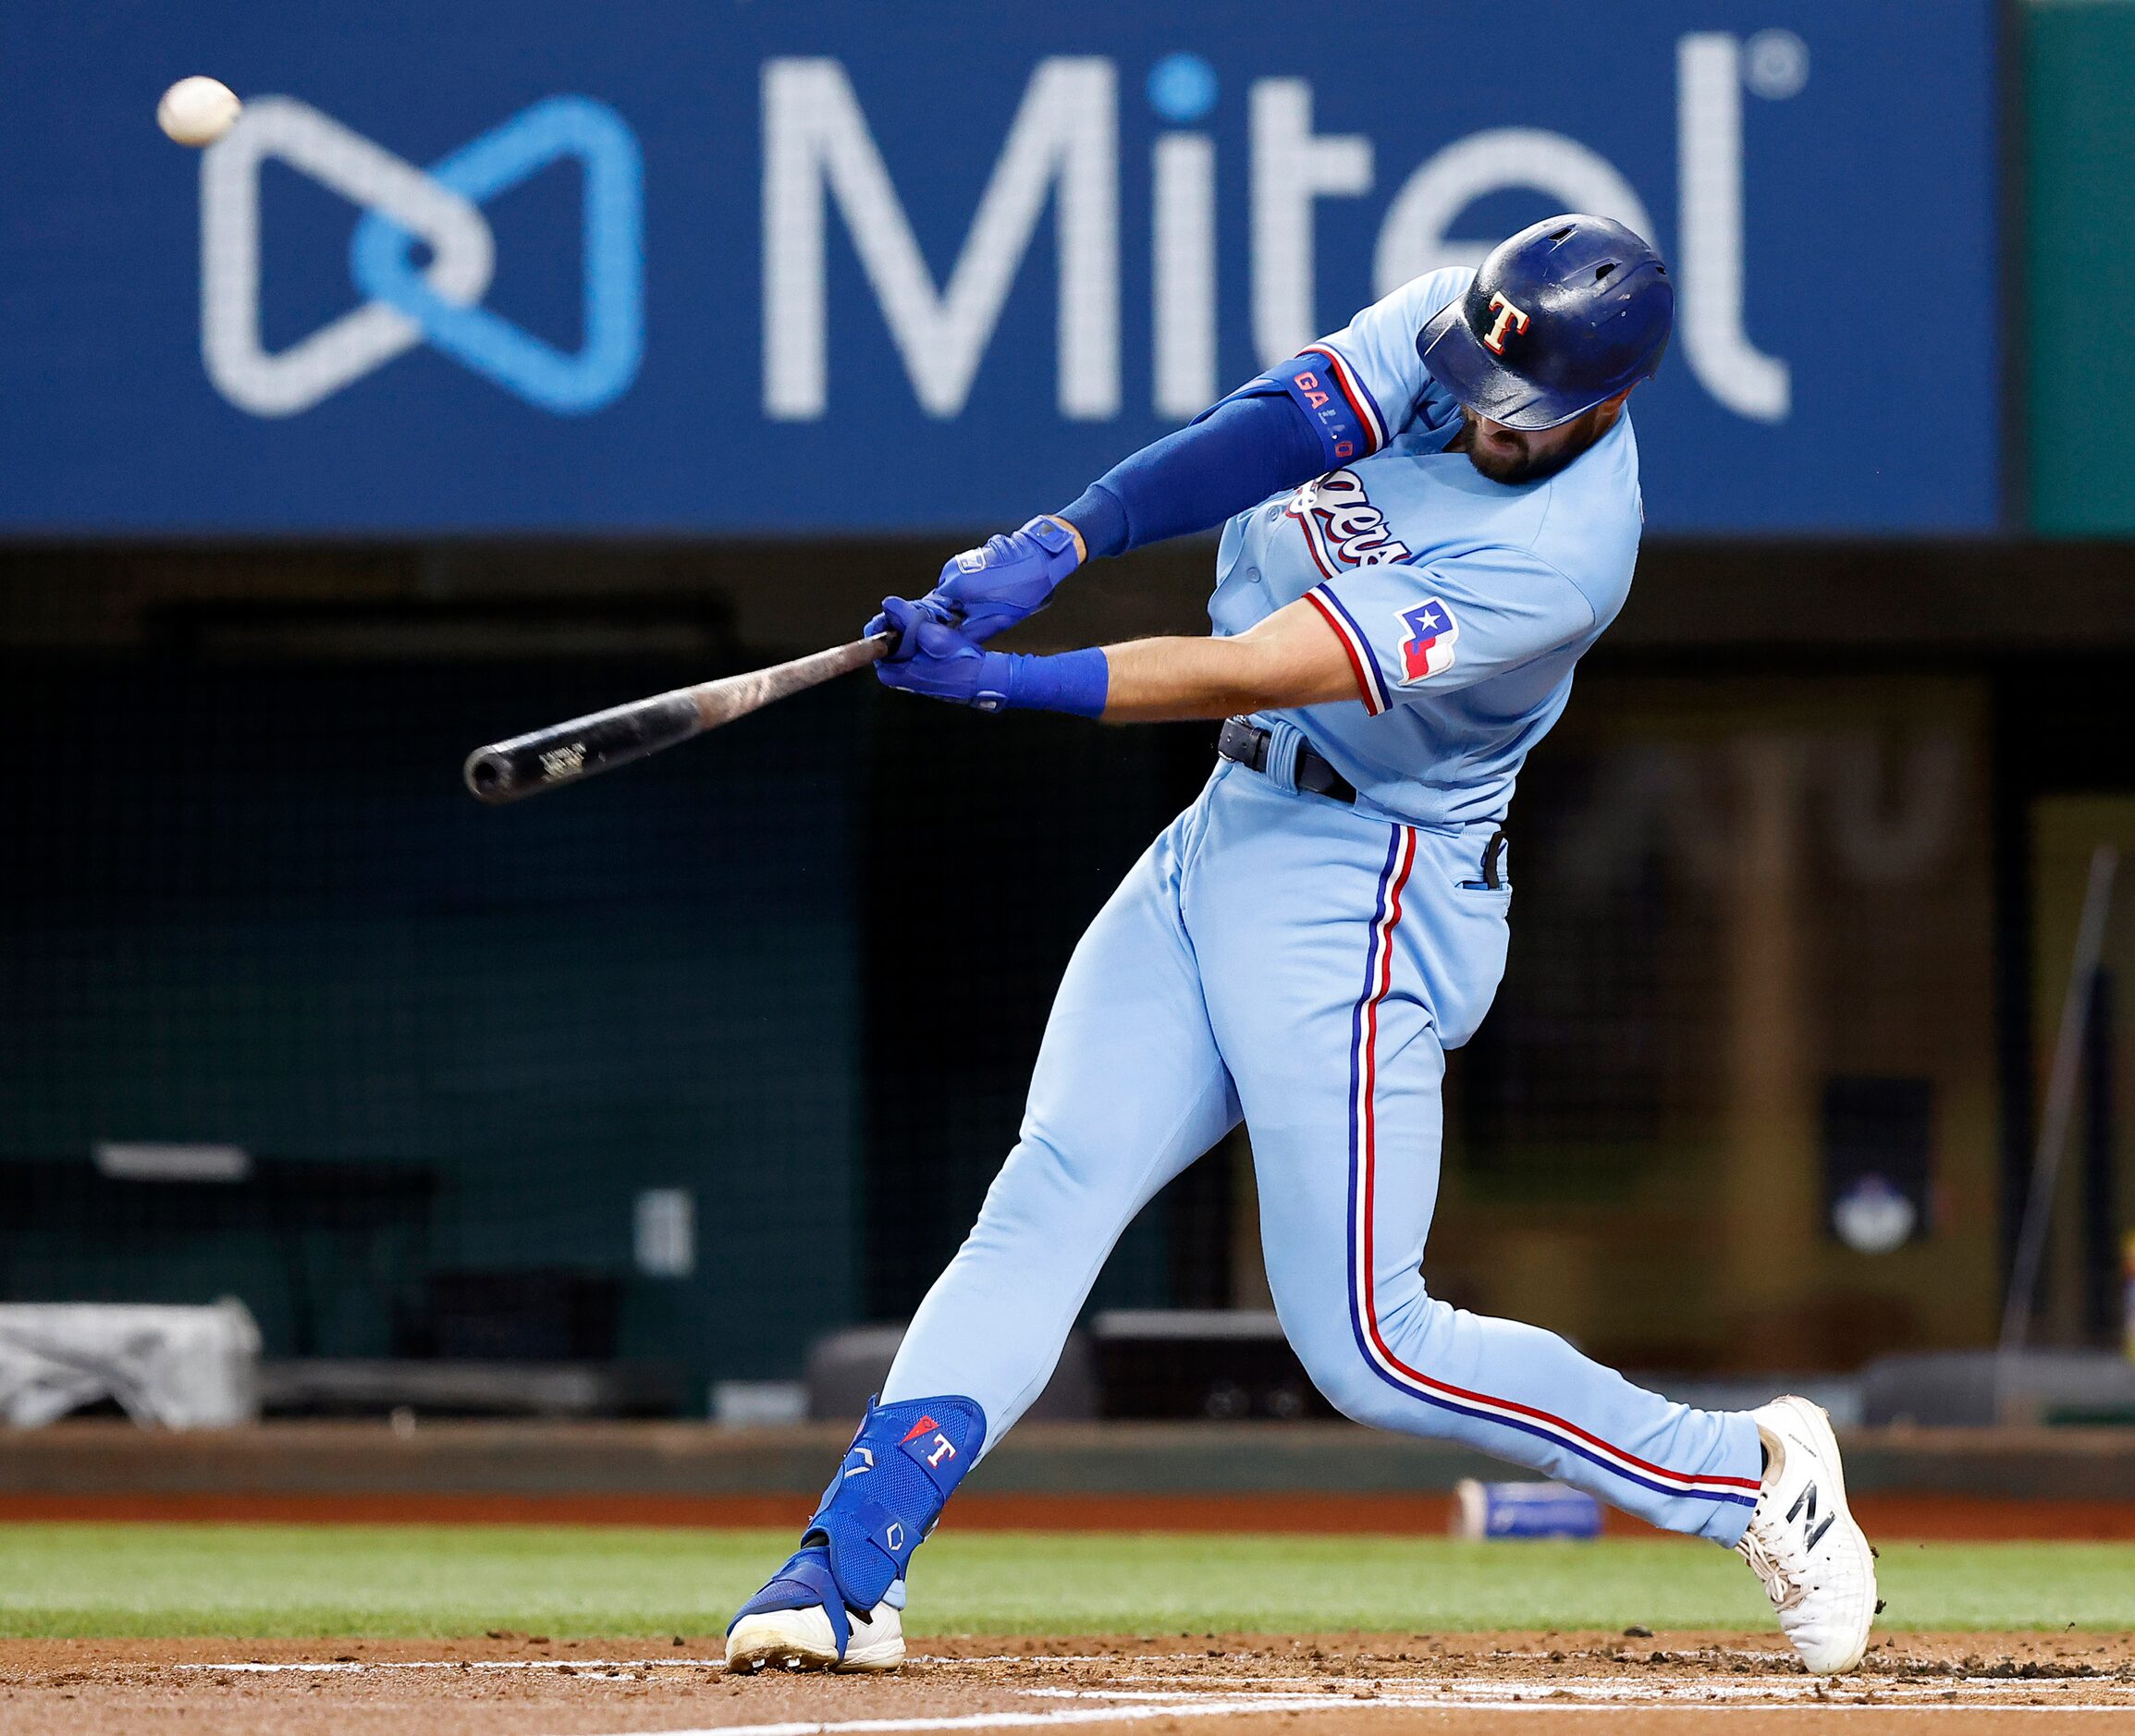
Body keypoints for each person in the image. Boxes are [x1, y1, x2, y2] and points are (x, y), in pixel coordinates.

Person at [726, 214, 1877, 1678]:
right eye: (1471, 368)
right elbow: (1257, 433)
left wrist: (1011, 685)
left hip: (1370, 881)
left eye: (1515, 405)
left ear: (1609, 400)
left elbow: (1264, 661)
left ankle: (1748, 1476)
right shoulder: (1474, 327)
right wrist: (1054, 541)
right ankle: (845, 1562)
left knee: (1367, 1345)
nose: (1472, 404)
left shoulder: (1563, 557)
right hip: (1225, 829)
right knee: (1049, 1190)